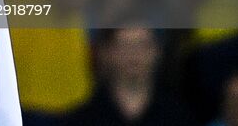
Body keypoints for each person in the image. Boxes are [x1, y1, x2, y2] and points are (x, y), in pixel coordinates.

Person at [59, 28, 193, 126]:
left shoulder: (179, 117)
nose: (134, 55)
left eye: (142, 45)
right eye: (124, 46)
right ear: (107, 52)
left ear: (157, 51)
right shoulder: (82, 120)